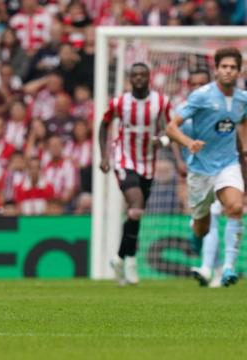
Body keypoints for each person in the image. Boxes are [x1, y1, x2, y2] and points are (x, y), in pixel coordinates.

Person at [167, 47, 247, 287]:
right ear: (217, 69)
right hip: (200, 169)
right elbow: (171, 128)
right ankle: (195, 230)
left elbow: (242, 123)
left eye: (233, 67)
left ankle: (229, 268)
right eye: (224, 67)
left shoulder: (243, 98)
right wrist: (189, 143)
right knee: (202, 227)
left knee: (235, 207)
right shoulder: (201, 96)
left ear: (238, 71)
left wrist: (244, 150)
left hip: (227, 164)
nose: (228, 71)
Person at [99, 62, 172, 286]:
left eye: (143, 75)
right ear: (130, 79)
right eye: (135, 75)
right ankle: (130, 261)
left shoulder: (161, 102)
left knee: (135, 213)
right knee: (136, 203)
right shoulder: (120, 102)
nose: (139, 78)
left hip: (148, 163)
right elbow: (104, 125)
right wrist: (104, 156)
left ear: (149, 77)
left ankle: (120, 258)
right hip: (124, 159)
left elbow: (172, 130)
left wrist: (163, 140)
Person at [171, 69, 224, 287]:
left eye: (202, 83)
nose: (198, 87)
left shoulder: (220, 107)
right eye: (194, 83)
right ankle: (218, 268)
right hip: (194, 174)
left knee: (211, 217)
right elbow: (174, 135)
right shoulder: (182, 110)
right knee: (197, 223)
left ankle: (206, 269)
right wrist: (179, 161)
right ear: (189, 85)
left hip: (218, 171)